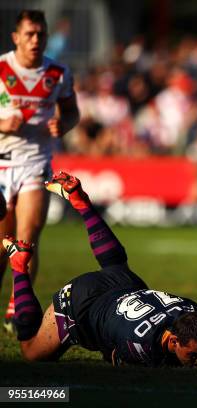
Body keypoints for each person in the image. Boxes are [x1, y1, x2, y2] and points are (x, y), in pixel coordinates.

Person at [8, 172, 197, 367]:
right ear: (174, 341)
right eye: (193, 356)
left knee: (115, 264)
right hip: (81, 303)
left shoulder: (195, 315)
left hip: (125, 285)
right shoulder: (142, 347)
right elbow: (117, 357)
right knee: (31, 351)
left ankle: (82, 204)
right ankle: (19, 265)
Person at [0, 10, 79, 332]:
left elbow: (73, 113)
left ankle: (19, 308)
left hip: (35, 163)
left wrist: (64, 125)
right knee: (2, 242)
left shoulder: (58, 73)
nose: (36, 40)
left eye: (41, 35)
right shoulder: (2, 68)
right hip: (1, 163)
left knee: (27, 241)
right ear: (16, 37)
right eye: (30, 34)